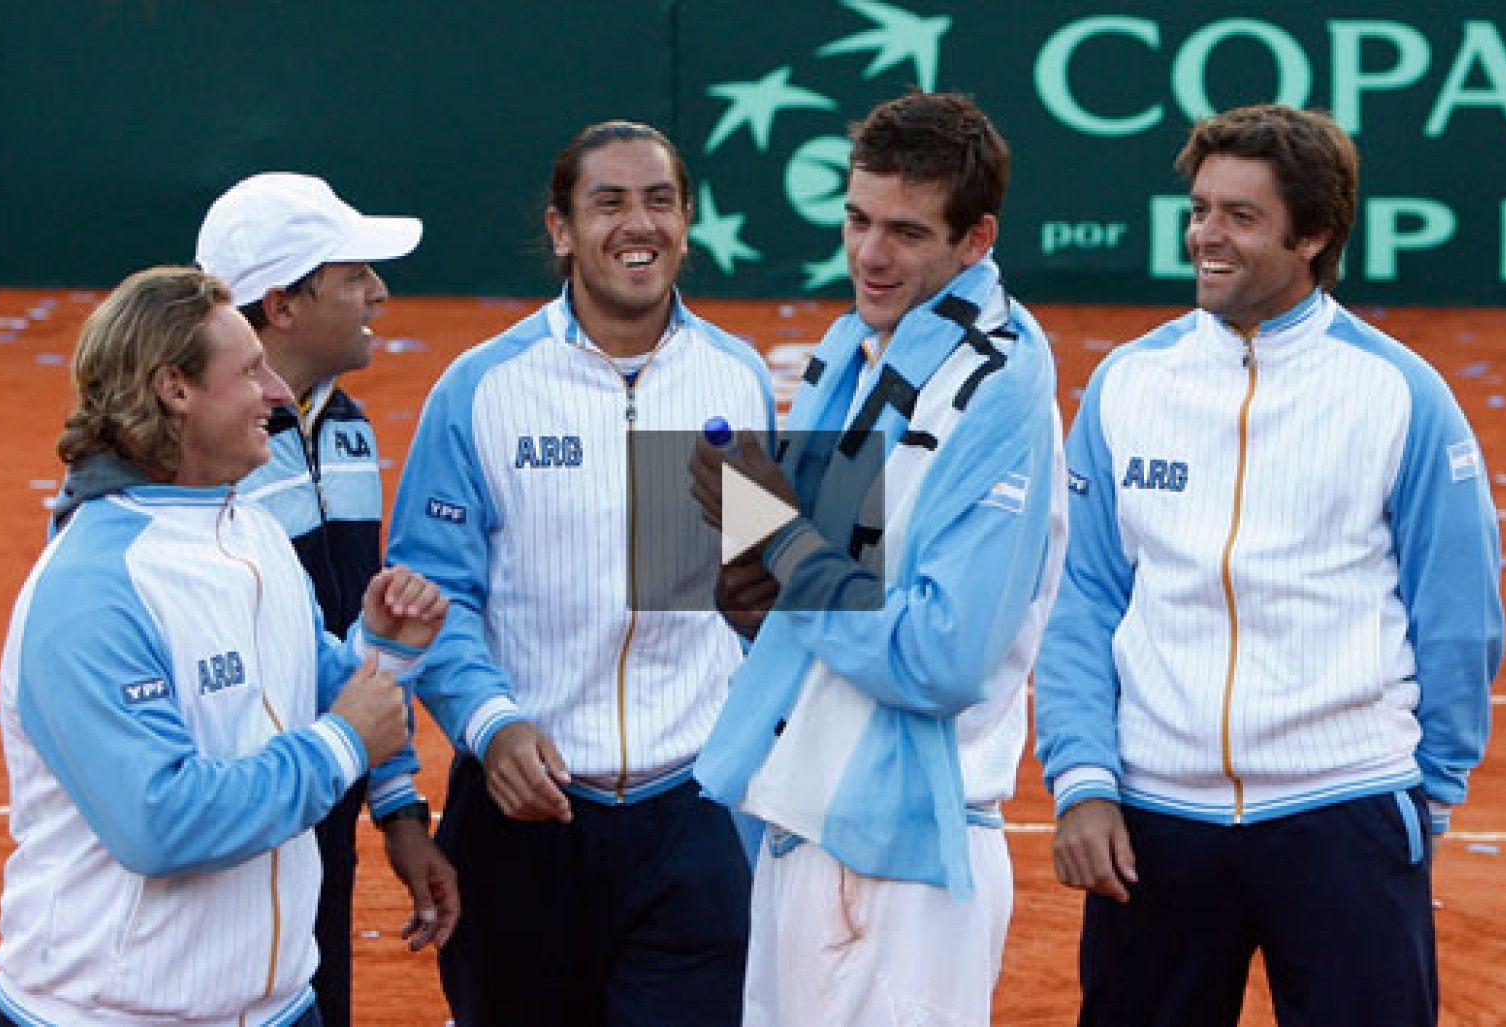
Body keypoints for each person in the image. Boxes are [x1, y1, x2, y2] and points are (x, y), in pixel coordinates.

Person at [1033, 103, 1506, 1026]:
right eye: (1202, 207)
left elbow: (1458, 614)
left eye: (1241, 217)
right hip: (1153, 822)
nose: (1206, 234)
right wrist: (1083, 777)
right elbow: (1085, 597)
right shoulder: (1130, 382)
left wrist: (1429, 797)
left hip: (1347, 814)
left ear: (1315, 234)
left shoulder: (1402, 394)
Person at [690, 90, 1068, 1026]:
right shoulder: (852, 342)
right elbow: (825, 585)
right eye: (858, 220)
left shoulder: (1001, 385)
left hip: (907, 858)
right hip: (799, 815)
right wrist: (753, 589)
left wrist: (778, 536)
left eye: (905, 231)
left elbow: (939, 655)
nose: (869, 254)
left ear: (976, 239)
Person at [386, 120, 774, 1025]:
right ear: (562, 229)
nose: (638, 224)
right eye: (609, 203)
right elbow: (429, 601)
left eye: (660, 201)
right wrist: (495, 726)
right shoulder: (480, 388)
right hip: (525, 821)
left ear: (685, 222)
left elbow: (759, 593)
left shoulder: (738, 377)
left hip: (697, 815)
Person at [0, 266, 448, 1026]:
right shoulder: (91, 590)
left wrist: (384, 650)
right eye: (250, 371)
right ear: (175, 388)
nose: (277, 392)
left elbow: (328, 690)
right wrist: (342, 744)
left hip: (277, 1006)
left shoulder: (255, 534)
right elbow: (159, 820)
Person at [196, 171, 459, 1026]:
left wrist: (394, 803)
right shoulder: (197, 457)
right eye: (354, 275)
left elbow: (360, 643)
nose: (379, 290)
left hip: (326, 801)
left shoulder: (345, 425)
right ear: (281, 304)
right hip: (234, 828)